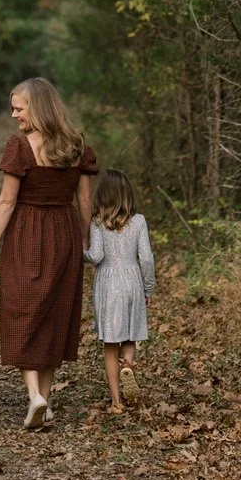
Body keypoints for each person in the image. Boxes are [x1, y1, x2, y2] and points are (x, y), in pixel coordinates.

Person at [0, 76, 98, 432]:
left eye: (19, 108)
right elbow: (85, 202)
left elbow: (6, 201)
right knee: (52, 312)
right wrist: (84, 241)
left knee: (23, 311)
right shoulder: (76, 146)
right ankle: (44, 403)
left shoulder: (20, 147)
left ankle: (35, 395)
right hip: (63, 233)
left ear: (38, 107)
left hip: (27, 233)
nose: (14, 115)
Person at [84, 168, 154, 413]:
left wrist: (80, 254)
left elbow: (97, 255)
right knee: (130, 335)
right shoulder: (139, 221)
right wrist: (148, 288)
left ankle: (116, 402)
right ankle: (129, 364)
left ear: (102, 195)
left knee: (110, 344)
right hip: (132, 280)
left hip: (108, 283)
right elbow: (146, 258)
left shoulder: (97, 223)